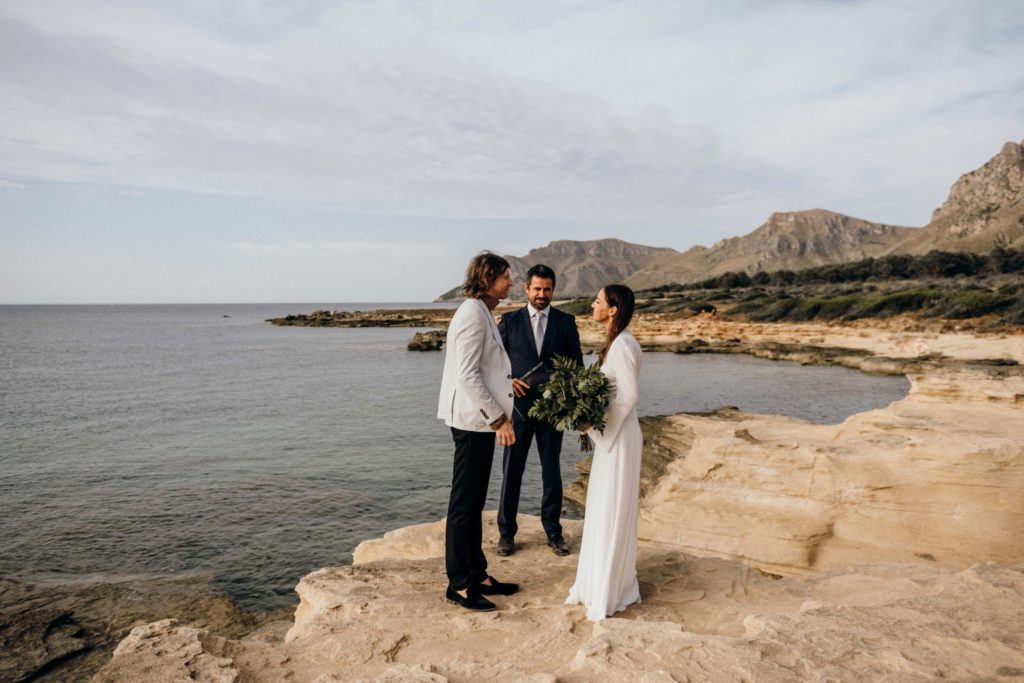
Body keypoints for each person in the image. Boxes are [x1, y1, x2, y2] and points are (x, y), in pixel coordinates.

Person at [437, 252, 520, 612]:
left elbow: (483, 370)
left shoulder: (481, 310)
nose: (511, 282)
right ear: (487, 279)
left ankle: (477, 573)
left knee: (474, 504)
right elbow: (468, 374)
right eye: (505, 277)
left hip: (479, 421)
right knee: (463, 505)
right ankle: (459, 584)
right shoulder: (472, 314)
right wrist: (498, 418)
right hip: (474, 422)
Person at [564, 284, 643, 621]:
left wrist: (591, 425)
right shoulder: (617, 342)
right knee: (603, 506)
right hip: (613, 436)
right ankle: (599, 582)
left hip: (619, 438)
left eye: (597, 301)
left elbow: (627, 396)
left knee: (612, 507)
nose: (591, 304)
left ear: (613, 309)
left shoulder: (623, 344)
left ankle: (610, 589)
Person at [496, 264, 583, 557]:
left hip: (552, 413)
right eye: (537, 289)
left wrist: (573, 405)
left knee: (552, 473)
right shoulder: (508, 322)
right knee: (512, 472)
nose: (542, 294)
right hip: (517, 412)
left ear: (553, 290)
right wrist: (508, 381)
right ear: (526, 289)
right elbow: (491, 365)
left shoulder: (566, 322)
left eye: (547, 289)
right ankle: (506, 534)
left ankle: (554, 532)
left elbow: (577, 368)